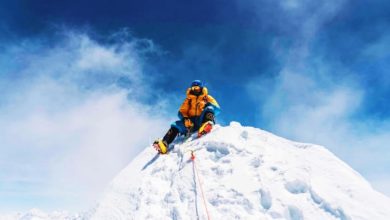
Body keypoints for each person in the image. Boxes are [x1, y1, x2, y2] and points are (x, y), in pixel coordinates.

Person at [153, 80, 221, 154]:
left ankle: (206, 125)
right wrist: (185, 118)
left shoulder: (207, 97)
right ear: (191, 89)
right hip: (191, 124)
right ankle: (164, 144)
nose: (196, 90)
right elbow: (181, 111)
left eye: (197, 88)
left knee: (209, 108)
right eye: (194, 88)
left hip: (202, 120)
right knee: (176, 125)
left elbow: (217, 108)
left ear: (201, 88)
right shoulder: (188, 100)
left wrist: (207, 103)